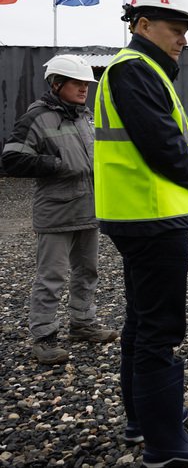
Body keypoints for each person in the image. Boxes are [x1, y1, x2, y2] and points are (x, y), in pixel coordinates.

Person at [95, 0, 188, 464]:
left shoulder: (137, 70)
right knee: (159, 328)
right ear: (143, 25)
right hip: (152, 216)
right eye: (176, 29)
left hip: (140, 214)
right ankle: (165, 443)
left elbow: (162, 137)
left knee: (141, 320)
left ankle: (142, 421)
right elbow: (162, 143)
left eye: (186, 32)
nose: (183, 40)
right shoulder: (135, 69)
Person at [2, 55, 118, 365]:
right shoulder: (37, 118)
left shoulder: (85, 117)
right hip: (56, 214)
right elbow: (11, 159)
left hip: (88, 210)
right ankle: (44, 337)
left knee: (87, 271)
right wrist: (55, 164)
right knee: (51, 277)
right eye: (77, 83)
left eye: (86, 84)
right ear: (56, 84)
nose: (84, 89)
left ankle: (83, 323)